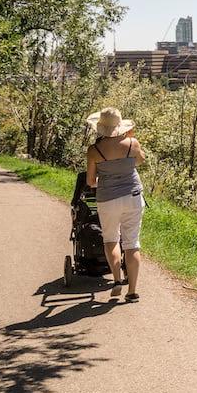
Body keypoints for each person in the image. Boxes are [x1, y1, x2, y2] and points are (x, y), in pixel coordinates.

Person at [86, 107, 147, 302]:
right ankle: (132, 292)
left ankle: (117, 280)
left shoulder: (94, 150)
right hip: (133, 196)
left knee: (111, 240)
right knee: (132, 243)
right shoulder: (132, 143)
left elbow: (90, 181)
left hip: (108, 199)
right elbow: (140, 161)